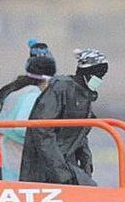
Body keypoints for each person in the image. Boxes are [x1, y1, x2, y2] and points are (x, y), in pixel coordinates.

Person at [20, 48, 108, 186]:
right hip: (47, 169)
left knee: (89, 188)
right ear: (87, 73)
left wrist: (86, 166)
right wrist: (61, 173)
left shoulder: (85, 96)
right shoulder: (61, 88)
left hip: (67, 165)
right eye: (98, 74)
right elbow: (42, 130)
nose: (100, 79)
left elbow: (81, 136)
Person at [0, 39, 53, 179]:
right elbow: (21, 127)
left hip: (0, 154)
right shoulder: (32, 95)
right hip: (10, 158)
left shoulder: (15, 91)